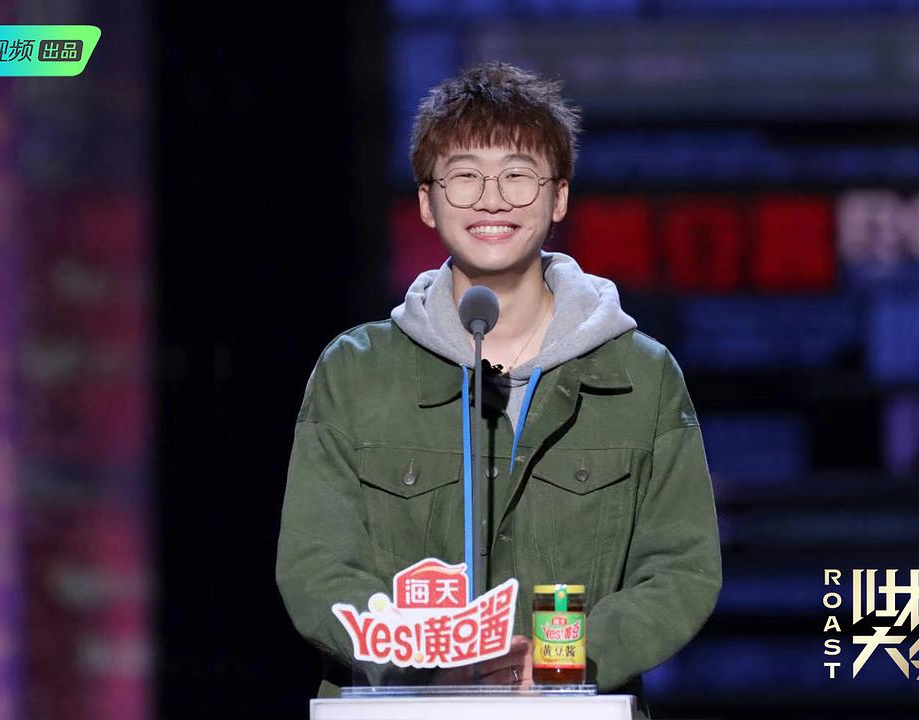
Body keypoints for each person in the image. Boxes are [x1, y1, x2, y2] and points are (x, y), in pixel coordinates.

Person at [275, 61, 722, 717]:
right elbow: (317, 570)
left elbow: (681, 570)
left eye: (517, 175)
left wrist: (556, 661)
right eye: (464, 177)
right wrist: (429, 657)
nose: (491, 200)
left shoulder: (640, 375)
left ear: (558, 197)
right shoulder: (356, 373)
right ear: (426, 201)